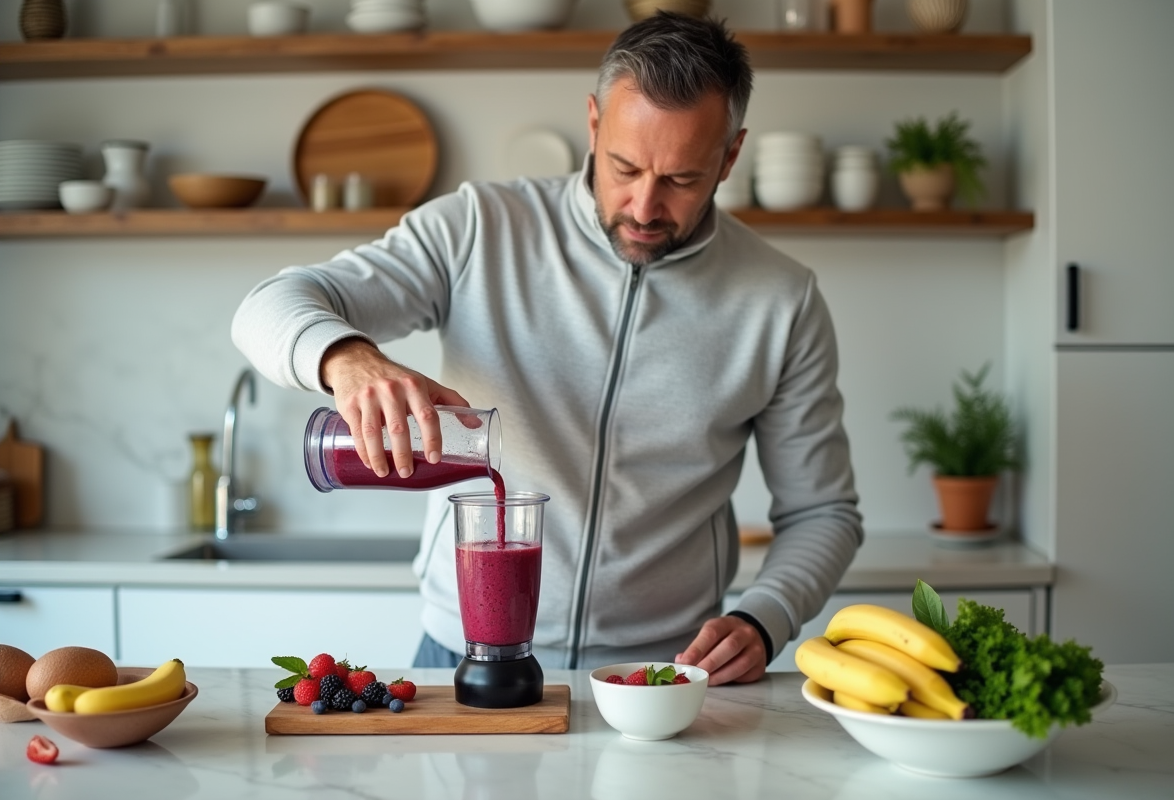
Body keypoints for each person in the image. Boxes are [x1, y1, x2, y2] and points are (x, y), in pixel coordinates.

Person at [232, 12, 862, 685]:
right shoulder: (480, 228)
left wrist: (764, 618)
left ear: (730, 156)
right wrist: (349, 359)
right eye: (624, 167)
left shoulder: (781, 301)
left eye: (681, 179)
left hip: (657, 671)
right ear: (593, 123)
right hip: (459, 653)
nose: (645, 206)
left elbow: (823, 512)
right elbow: (265, 307)